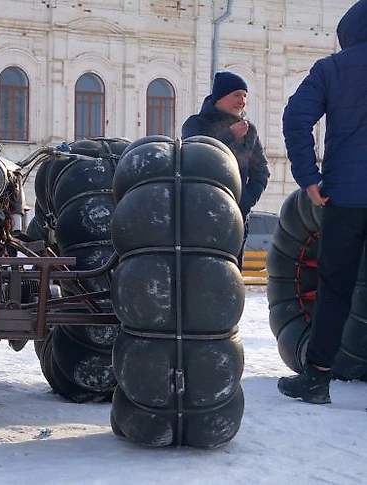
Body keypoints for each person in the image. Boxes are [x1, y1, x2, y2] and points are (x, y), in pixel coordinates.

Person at [277, 0, 367, 405]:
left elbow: (296, 119)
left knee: (334, 289)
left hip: (344, 198)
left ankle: (317, 379)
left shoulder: (330, 69)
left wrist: (308, 179)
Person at [182, 71, 271, 269]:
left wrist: (245, 202)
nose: (242, 100)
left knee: (230, 277)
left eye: (245, 96)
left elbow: (262, 172)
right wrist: (229, 135)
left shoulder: (249, 130)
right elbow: (194, 157)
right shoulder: (196, 123)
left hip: (236, 218)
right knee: (199, 274)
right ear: (220, 97)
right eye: (237, 95)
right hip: (199, 215)